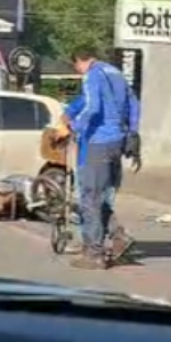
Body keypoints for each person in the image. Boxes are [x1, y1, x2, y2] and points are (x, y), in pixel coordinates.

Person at [66, 47, 142, 270]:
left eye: (76, 67)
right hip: (117, 141)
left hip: (98, 141)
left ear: (80, 61)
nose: (78, 71)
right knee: (99, 196)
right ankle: (119, 237)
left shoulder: (93, 74)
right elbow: (134, 104)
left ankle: (94, 253)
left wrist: (75, 126)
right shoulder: (116, 72)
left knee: (89, 198)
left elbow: (92, 107)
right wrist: (132, 132)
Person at [59, 95, 118, 256]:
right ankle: (110, 238)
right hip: (113, 153)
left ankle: (93, 245)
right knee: (104, 199)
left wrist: (68, 127)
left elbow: (67, 115)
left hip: (91, 156)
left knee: (89, 201)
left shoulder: (91, 95)